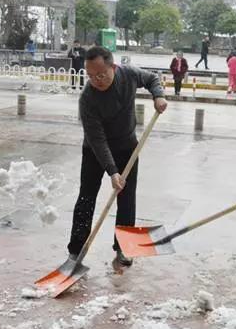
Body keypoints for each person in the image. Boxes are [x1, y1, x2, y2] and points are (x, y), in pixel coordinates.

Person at [68, 46, 167, 266]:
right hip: (95, 151)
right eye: (91, 75)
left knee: (127, 198)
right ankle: (76, 250)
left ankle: (123, 248)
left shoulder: (129, 74)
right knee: (86, 197)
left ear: (113, 67)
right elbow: (97, 140)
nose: (96, 80)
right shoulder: (87, 99)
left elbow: (152, 79)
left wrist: (158, 96)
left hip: (126, 146)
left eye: (101, 74)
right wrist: (112, 171)